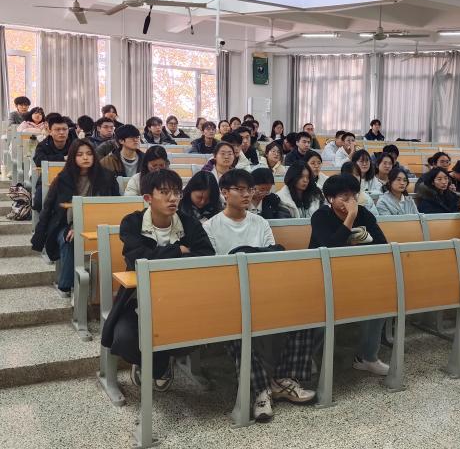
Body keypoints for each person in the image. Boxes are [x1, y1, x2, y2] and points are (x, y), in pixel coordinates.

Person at [203, 169, 316, 421]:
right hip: (230, 296)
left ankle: (284, 379)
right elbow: (216, 271)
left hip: (264, 290)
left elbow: (271, 260)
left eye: (250, 189)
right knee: (236, 328)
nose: (247, 194)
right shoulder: (210, 227)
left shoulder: (260, 222)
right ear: (224, 192)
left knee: (307, 314)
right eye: (240, 189)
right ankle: (260, 389)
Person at [102, 169, 215, 391]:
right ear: (148, 198)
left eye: (177, 192)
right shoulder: (132, 222)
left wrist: (159, 255)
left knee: (195, 335)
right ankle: (153, 364)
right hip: (137, 300)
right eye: (164, 192)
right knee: (125, 339)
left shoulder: (189, 223)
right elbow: (137, 259)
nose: (173, 198)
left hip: (179, 299)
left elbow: (205, 255)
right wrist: (178, 250)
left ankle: (158, 364)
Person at [309, 173, 389, 376]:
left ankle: (367, 357)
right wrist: (350, 217)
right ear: (330, 198)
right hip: (323, 279)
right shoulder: (321, 216)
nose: (351, 201)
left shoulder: (365, 214)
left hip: (358, 276)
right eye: (344, 197)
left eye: (354, 196)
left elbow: (382, 243)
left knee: (380, 303)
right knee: (317, 311)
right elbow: (329, 247)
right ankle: (309, 357)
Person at [31, 139, 119, 296]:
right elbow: (47, 208)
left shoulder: (107, 177)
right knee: (70, 239)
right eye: (80, 154)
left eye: (89, 154)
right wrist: (39, 237)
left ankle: (104, 288)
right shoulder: (63, 178)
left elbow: (114, 205)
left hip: (99, 224)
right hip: (65, 224)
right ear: (73, 157)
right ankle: (67, 285)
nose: (85, 157)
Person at [32, 115, 74, 211]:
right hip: (47, 181)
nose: (62, 132)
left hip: (72, 181)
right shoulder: (43, 145)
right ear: (50, 131)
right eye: (57, 129)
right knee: (38, 202)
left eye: (64, 129)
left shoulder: (75, 144)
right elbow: (39, 161)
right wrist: (63, 158)